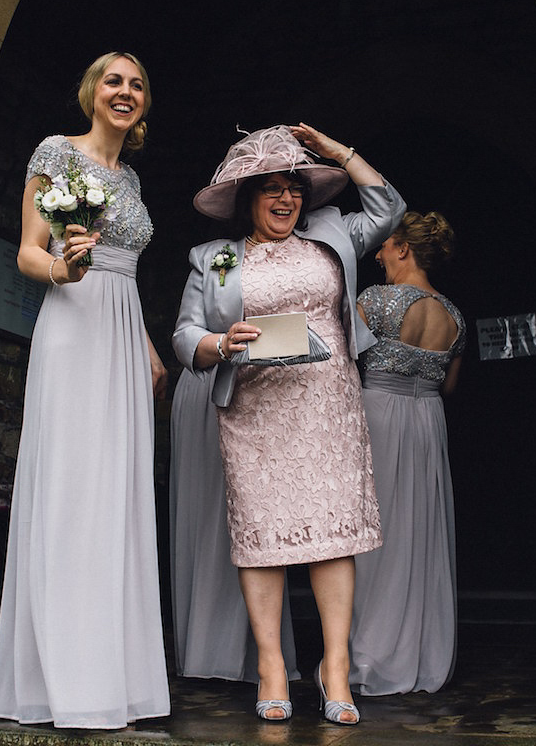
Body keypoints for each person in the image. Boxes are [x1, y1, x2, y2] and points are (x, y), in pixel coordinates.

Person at [172, 123, 406, 725]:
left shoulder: (334, 233)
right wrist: (220, 344)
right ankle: (272, 666)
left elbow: (388, 205)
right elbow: (184, 337)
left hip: (327, 406)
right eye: (271, 189)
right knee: (263, 539)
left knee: (333, 537)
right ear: (247, 198)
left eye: (294, 188)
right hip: (254, 410)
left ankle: (335, 667)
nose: (285, 199)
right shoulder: (216, 259)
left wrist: (338, 153)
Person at [0, 51, 169, 729]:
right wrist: (63, 273)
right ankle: (61, 679)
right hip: (72, 324)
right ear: (93, 92)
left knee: (116, 492)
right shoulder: (55, 153)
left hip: (122, 334)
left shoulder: (133, 176)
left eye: (137, 84)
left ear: (144, 103)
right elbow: (29, 251)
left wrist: (147, 346)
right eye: (114, 81)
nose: (125, 92)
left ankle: (115, 675)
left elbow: (125, 272)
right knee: (71, 487)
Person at [349, 211, 465, 695]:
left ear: (402, 248)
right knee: (418, 529)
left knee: (375, 536)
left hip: (378, 415)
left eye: (383, 245)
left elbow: (342, 366)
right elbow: (451, 386)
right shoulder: (455, 315)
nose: (376, 254)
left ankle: (370, 656)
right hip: (427, 421)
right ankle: (421, 654)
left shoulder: (374, 302)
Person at [168, 367, 299, 682]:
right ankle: (207, 650)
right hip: (208, 380)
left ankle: (261, 655)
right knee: (207, 516)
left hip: (262, 383)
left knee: (258, 518)